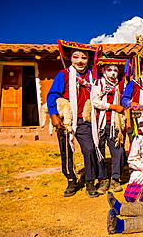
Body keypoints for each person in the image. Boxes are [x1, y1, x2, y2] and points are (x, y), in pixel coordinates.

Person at [47, 40, 102, 198]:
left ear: (88, 60)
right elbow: (52, 95)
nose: (80, 61)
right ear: (70, 59)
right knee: (66, 152)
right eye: (76, 57)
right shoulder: (63, 75)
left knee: (89, 149)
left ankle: (90, 181)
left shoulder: (93, 77)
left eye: (84, 58)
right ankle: (71, 180)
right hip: (66, 120)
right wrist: (54, 116)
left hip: (85, 120)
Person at [91, 58, 127, 194]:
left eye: (115, 70)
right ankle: (103, 179)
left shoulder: (120, 86)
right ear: (103, 71)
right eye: (109, 70)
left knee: (117, 151)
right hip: (100, 123)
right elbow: (95, 101)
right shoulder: (98, 84)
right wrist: (112, 106)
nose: (112, 73)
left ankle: (115, 178)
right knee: (99, 151)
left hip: (114, 124)